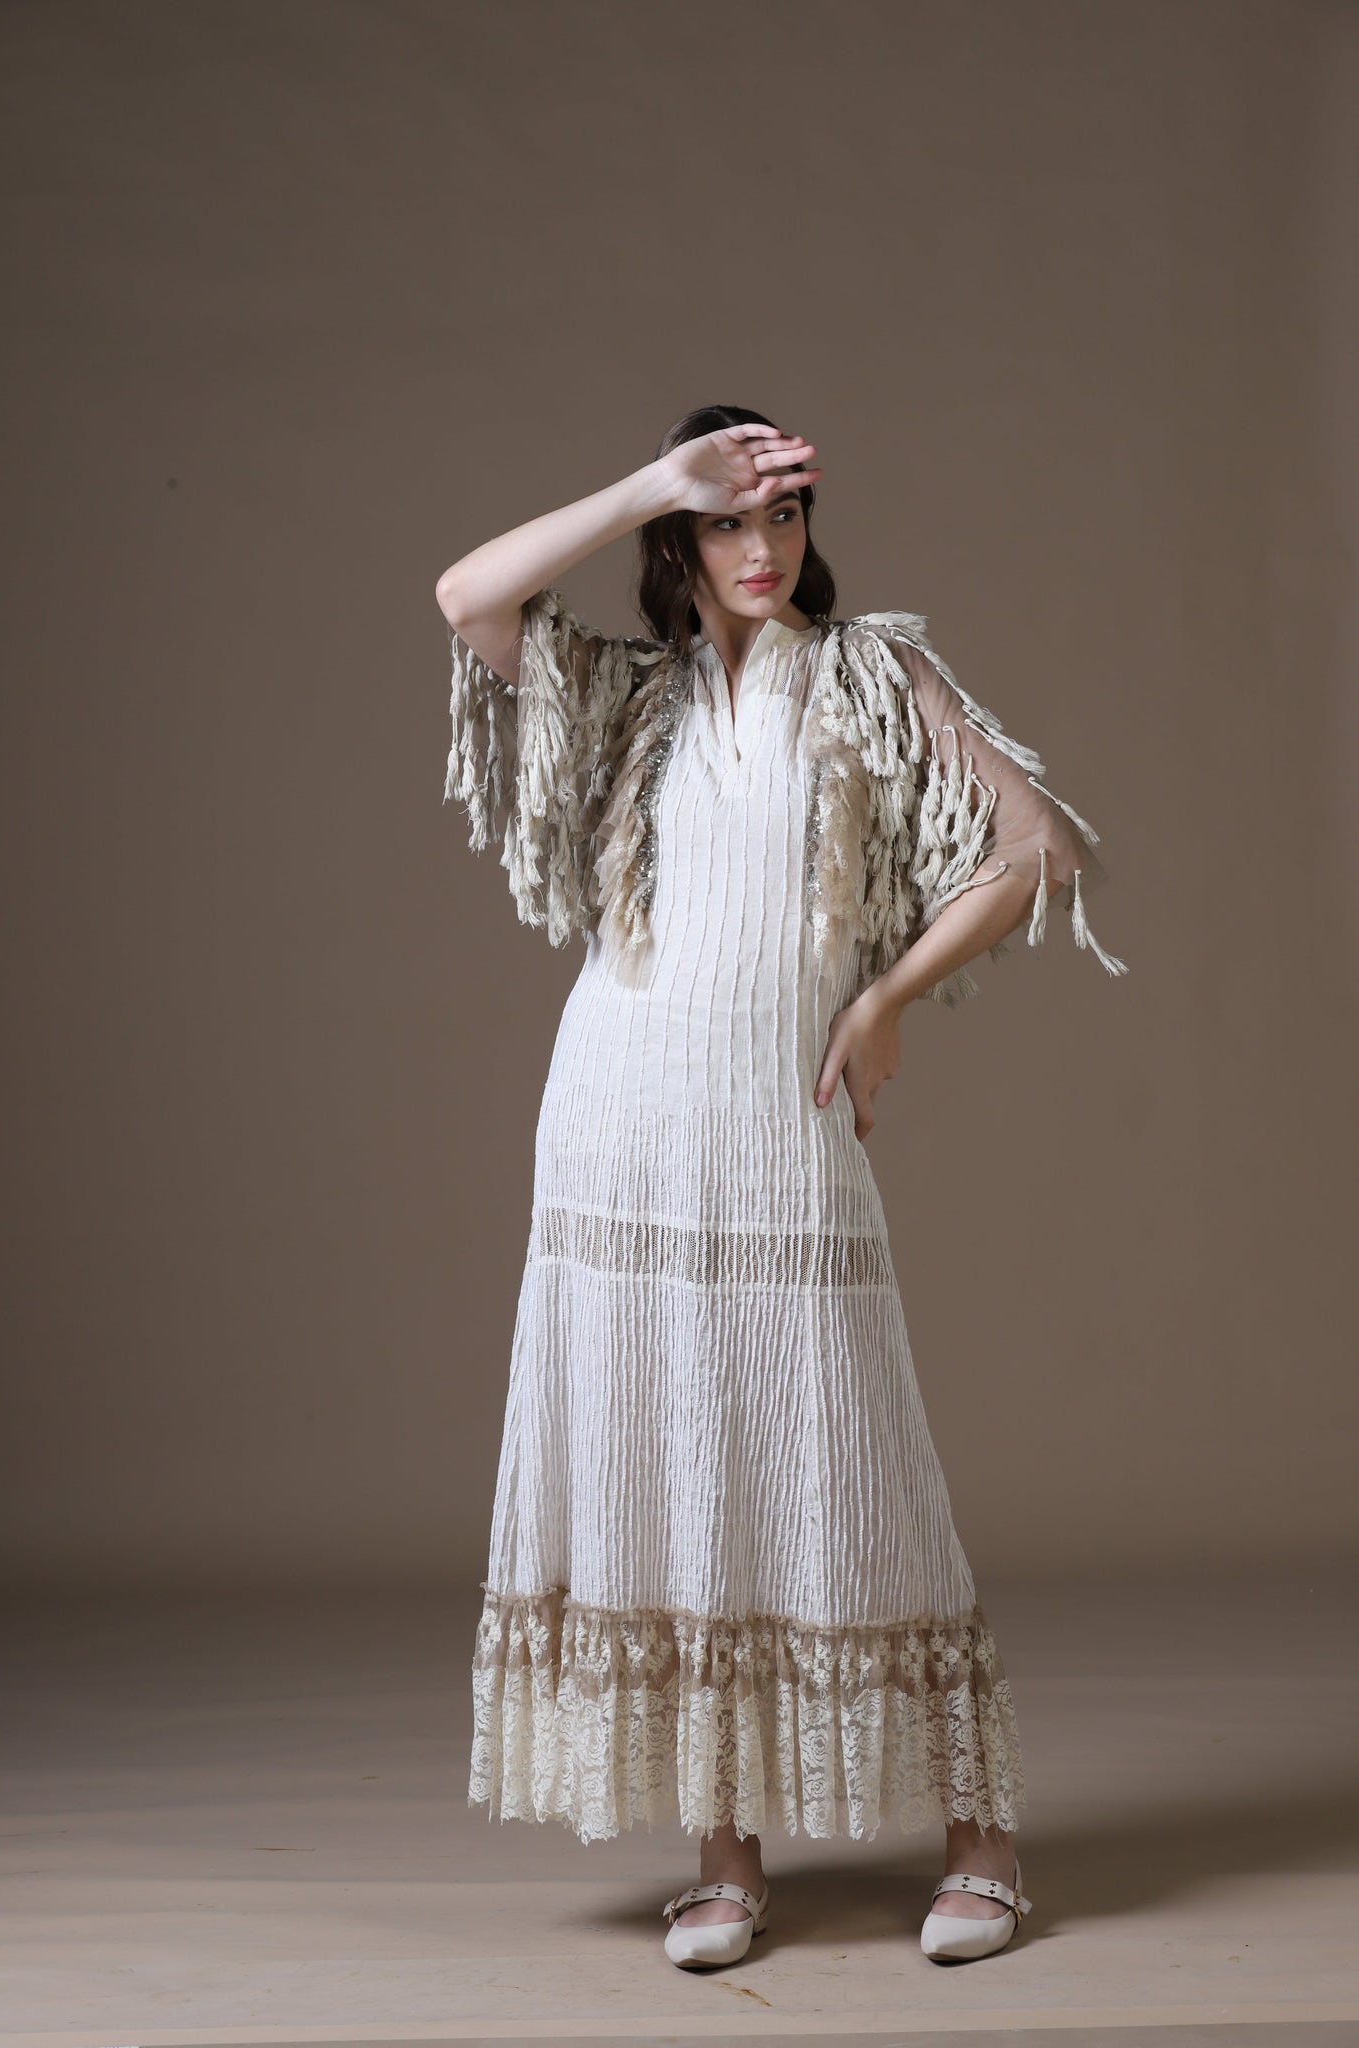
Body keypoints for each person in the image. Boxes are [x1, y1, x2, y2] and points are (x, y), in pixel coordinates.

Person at [435, 404, 1126, 1971]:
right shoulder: (624, 697)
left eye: (786, 516)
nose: (765, 551)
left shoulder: (869, 669)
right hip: (616, 1122)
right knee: (663, 1468)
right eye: (730, 523)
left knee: (849, 1459)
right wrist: (643, 485)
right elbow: (464, 599)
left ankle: (981, 1837)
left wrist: (878, 1002)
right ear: (678, 548)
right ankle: (724, 1857)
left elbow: (1035, 849)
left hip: (775, 1126)